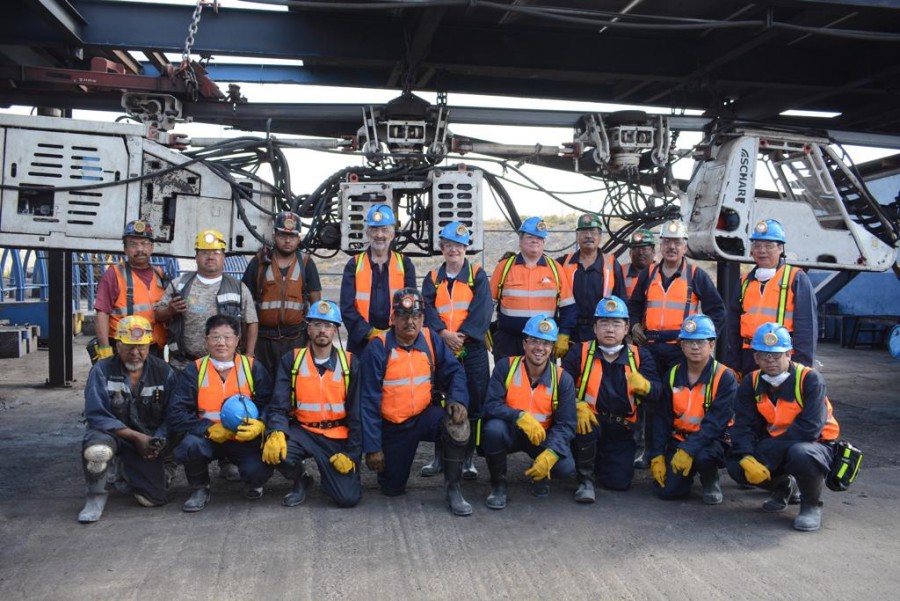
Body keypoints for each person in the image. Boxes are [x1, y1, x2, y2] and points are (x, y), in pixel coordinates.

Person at [359, 288, 472, 516]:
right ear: (393, 319)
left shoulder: (431, 339)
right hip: (393, 426)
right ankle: (392, 471)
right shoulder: (378, 348)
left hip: (424, 416)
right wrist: (372, 447)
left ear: (422, 318)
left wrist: (457, 399)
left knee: (457, 425)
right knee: (392, 488)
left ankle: (453, 489)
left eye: (416, 316)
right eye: (403, 316)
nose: (410, 322)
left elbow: (455, 372)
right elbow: (367, 401)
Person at [726, 322, 840, 532]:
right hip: (777, 443)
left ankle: (811, 505)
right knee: (736, 465)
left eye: (776, 355)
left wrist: (767, 451)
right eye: (764, 355)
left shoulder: (810, 379)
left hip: (815, 445)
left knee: (801, 453)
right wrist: (745, 455)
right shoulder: (751, 382)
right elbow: (743, 425)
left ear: (789, 354)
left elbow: (810, 429)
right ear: (755, 358)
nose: (770, 361)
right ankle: (783, 486)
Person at [167, 314, 274, 512]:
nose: (221, 343)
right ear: (206, 341)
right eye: (215, 337)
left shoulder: (252, 368)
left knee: (258, 468)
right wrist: (207, 429)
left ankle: (253, 482)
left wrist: (261, 423)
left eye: (227, 337)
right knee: (191, 445)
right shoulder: (195, 370)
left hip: (244, 439)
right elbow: (176, 412)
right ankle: (200, 487)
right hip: (209, 438)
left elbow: (271, 404)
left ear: (237, 341)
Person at [78, 315, 177, 523]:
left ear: (149, 346)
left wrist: (156, 442)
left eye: (141, 347)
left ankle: (126, 471)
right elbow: (96, 414)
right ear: (117, 345)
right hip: (111, 434)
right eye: (128, 346)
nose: (135, 353)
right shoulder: (102, 370)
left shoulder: (163, 372)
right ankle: (95, 497)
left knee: (153, 498)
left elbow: (173, 414)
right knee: (98, 450)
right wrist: (134, 437)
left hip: (146, 439)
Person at [264, 300, 362, 508]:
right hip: (303, 432)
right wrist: (276, 431)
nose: (322, 330)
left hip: (337, 435)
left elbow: (357, 414)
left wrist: (351, 453)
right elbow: (278, 404)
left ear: (335, 330)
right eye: (317, 324)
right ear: (308, 329)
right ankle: (301, 479)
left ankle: (331, 478)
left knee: (347, 499)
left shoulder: (350, 363)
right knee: (275, 451)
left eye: (328, 325)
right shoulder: (291, 360)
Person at [562, 297, 659, 499]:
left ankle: (596, 463)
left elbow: (658, 392)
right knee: (585, 428)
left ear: (626, 328)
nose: (610, 329)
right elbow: (560, 388)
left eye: (616, 323)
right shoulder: (579, 352)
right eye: (604, 323)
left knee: (619, 482)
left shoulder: (641, 356)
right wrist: (576, 405)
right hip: (589, 423)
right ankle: (585, 480)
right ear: (595, 328)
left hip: (621, 429)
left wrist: (647, 387)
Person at [482, 314, 577, 508]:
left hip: (542, 435)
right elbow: (491, 405)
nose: (539, 348)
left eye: (546, 343)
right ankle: (498, 484)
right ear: (524, 343)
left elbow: (567, 424)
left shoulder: (562, 379)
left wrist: (552, 451)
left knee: (565, 467)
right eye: (534, 341)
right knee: (492, 430)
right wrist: (518, 416)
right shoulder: (505, 367)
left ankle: (540, 475)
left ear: (552, 348)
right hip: (511, 432)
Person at [420, 221, 492, 480]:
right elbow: (426, 309)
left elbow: (483, 310)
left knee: (473, 402)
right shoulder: (432, 279)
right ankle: (440, 457)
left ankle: (468, 459)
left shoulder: (477, 275)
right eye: (449, 245)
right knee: (441, 402)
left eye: (459, 246)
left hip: (471, 350)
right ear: (442, 248)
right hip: (441, 349)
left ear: (465, 248)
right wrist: (443, 334)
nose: (454, 250)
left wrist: (462, 337)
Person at [648, 314, 737, 505]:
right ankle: (684, 475)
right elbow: (661, 418)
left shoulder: (725, 377)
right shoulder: (672, 375)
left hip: (712, 441)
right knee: (667, 491)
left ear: (712, 345)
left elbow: (715, 424)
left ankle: (710, 478)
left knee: (704, 456)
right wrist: (656, 454)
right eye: (689, 342)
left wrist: (688, 451)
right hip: (680, 439)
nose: (695, 347)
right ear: (682, 346)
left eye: (701, 342)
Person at [627, 219, 726, 374]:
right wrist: (634, 325)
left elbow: (718, 311)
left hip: (680, 350)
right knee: (649, 393)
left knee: (676, 393)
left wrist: (701, 338)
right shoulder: (648, 273)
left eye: (677, 242)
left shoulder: (696, 275)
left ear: (685, 247)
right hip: (649, 347)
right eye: (667, 242)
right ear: (660, 246)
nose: (671, 247)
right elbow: (634, 305)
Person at [725, 219, 817, 378]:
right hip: (750, 356)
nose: (762, 251)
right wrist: (735, 363)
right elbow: (733, 327)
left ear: (780, 248)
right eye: (757, 245)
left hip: (780, 358)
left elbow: (806, 328)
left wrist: (802, 368)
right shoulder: (744, 282)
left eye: (769, 246)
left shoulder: (796, 278)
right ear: (751, 250)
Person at [156, 229, 259, 371]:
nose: (210, 257)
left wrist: (249, 354)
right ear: (196, 256)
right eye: (204, 252)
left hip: (225, 367)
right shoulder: (179, 284)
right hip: (184, 365)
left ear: (223, 257)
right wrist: (170, 310)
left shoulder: (239, 288)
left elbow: (251, 322)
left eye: (216, 253)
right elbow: (157, 315)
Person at [242, 210, 322, 377]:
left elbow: (316, 306)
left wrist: (310, 341)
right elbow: (245, 303)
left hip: (295, 339)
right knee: (261, 388)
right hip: (262, 341)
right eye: (283, 235)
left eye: (292, 236)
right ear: (274, 236)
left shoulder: (306, 263)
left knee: (291, 387)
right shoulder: (258, 262)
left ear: (299, 238)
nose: (287, 240)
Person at [490, 216, 576, 360]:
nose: (535, 240)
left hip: (543, 342)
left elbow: (568, 306)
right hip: (509, 342)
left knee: (541, 382)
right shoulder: (504, 267)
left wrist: (564, 335)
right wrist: (484, 330)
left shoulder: (555, 269)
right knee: (507, 381)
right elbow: (487, 304)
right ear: (520, 241)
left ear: (543, 242)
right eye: (530, 236)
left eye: (539, 238)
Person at [340, 204, 417, 355]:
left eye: (384, 229)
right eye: (374, 229)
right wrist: (369, 333)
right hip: (361, 343)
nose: (379, 234)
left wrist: (395, 332)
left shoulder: (405, 264)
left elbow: (411, 305)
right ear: (367, 234)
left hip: (396, 340)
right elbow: (346, 307)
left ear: (392, 234)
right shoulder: (354, 264)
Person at [92, 220, 167, 358]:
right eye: (133, 244)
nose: (140, 249)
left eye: (145, 244)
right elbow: (102, 313)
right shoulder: (114, 274)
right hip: (124, 349)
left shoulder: (160, 275)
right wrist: (105, 348)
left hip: (153, 348)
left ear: (152, 248)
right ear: (125, 249)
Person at [557, 213, 626, 344]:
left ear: (600, 236)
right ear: (577, 236)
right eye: (583, 231)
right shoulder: (563, 263)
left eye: (593, 231)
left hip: (602, 331)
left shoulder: (611, 264)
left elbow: (622, 300)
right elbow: (541, 267)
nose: (588, 236)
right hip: (571, 334)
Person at [622, 228, 657, 299]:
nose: (641, 252)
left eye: (645, 249)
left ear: (653, 251)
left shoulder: (661, 272)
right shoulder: (620, 272)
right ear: (630, 252)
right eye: (636, 248)